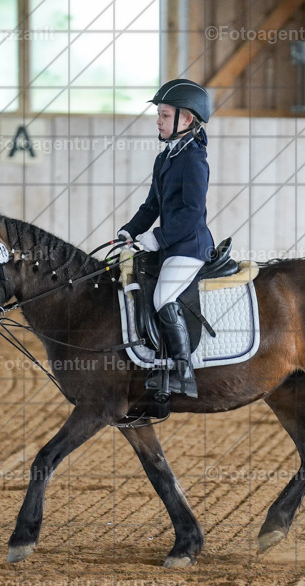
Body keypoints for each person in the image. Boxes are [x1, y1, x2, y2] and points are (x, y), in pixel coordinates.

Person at [118, 79, 215, 399]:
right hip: (171, 244)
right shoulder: (165, 158)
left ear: (185, 119)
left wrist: (158, 237)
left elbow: (191, 212)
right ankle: (155, 360)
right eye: (158, 114)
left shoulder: (194, 160)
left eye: (163, 115)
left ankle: (184, 371)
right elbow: (152, 206)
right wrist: (129, 231)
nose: (157, 120)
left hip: (189, 245)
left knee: (163, 298)